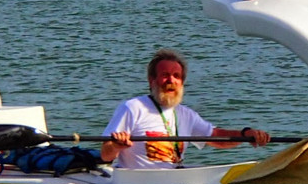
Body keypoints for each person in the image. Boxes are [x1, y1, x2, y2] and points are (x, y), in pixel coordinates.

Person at [101, 48, 272, 169]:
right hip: (136, 183)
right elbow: (105, 154)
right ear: (151, 80)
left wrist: (246, 135)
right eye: (165, 75)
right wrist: (116, 146)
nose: (171, 80)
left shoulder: (185, 114)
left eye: (176, 76)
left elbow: (218, 138)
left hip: (173, 180)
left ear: (182, 83)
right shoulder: (133, 108)